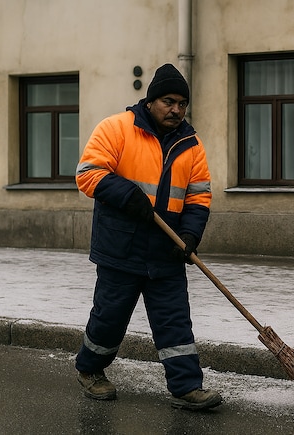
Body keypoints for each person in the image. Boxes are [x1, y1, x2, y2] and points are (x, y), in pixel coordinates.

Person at [73, 63, 221, 410]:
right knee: (109, 319)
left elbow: (198, 197)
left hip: (166, 252)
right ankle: (90, 370)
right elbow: (88, 173)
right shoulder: (116, 129)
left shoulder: (191, 145)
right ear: (151, 101)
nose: (176, 110)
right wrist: (127, 194)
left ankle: (187, 387)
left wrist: (189, 234)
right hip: (120, 248)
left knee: (174, 323)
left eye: (182, 104)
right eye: (169, 101)